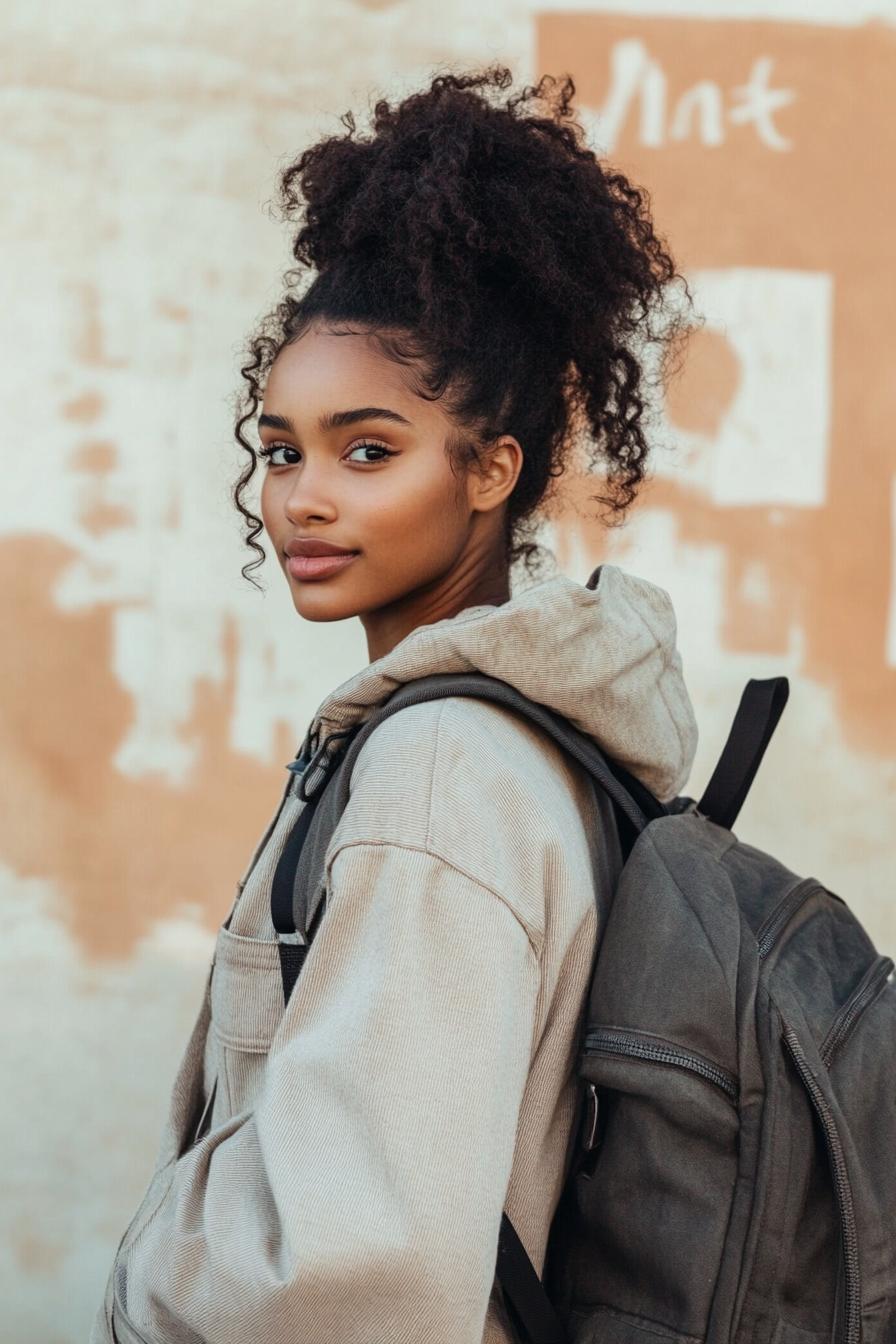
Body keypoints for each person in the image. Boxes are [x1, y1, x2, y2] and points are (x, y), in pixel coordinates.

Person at [91, 64, 699, 1344]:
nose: (304, 498)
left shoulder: (443, 768)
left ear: (489, 469)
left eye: (368, 450)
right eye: (281, 449)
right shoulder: (533, 740)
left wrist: (146, 1292)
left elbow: (355, 1273)